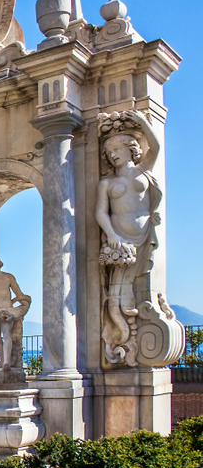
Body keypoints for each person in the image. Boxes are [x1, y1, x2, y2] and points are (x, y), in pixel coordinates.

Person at [95, 110, 161, 364]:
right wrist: (111, 234)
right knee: (117, 293)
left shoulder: (143, 170)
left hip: (144, 236)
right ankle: (120, 339)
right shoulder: (106, 183)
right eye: (109, 150)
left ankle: (124, 339)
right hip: (119, 239)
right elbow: (100, 211)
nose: (112, 154)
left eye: (117, 148)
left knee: (132, 288)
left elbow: (154, 147)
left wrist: (143, 122)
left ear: (130, 148)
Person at [0, 256, 31, 371]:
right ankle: (2, 359)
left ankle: (6, 362)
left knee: (6, 333)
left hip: (6, 311)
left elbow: (18, 293)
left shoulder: (8, 277)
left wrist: (16, 302)